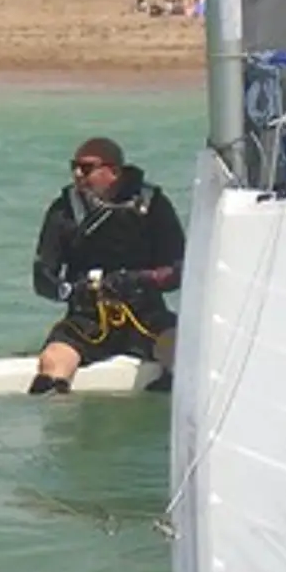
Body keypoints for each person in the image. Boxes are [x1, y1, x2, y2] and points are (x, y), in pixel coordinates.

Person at [28, 136, 186, 395]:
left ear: (113, 171)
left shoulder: (153, 206)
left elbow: (179, 270)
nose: (78, 174)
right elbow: (42, 277)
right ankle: (56, 395)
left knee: (181, 349)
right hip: (88, 316)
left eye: (87, 168)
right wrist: (70, 290)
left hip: (144, 312)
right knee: (53, 359)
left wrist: (140, 280)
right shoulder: (64, 211)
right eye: (74, 167)